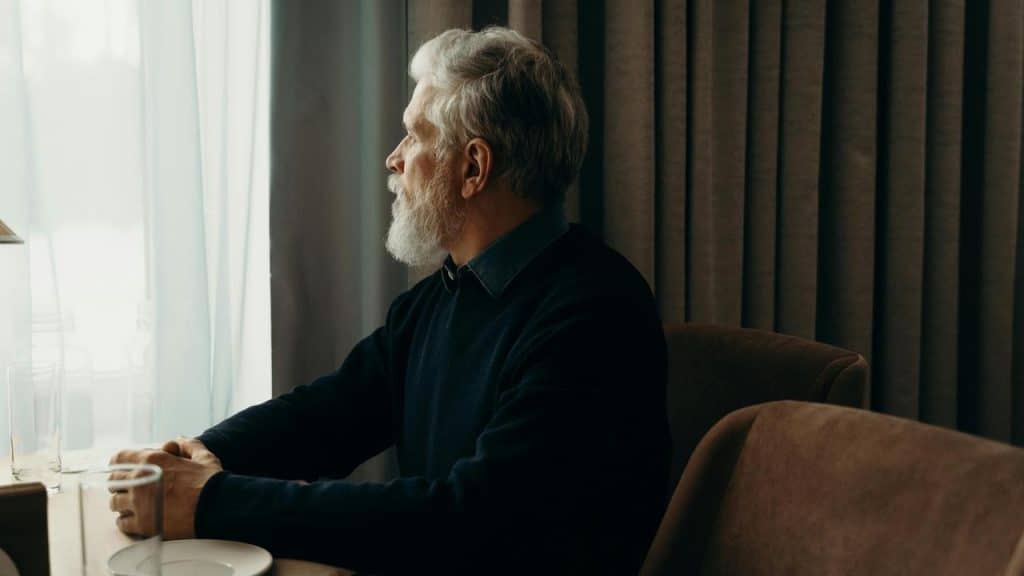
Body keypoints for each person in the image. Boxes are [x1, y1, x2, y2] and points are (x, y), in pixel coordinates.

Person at [112, 27, 669, 575]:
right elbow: (330, 413)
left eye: (413, 136)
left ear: (473, 167)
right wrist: (197, 456)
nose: (394, 159)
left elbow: (467, 521)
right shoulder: (441, 297)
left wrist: (211, 500)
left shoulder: (595, 317)